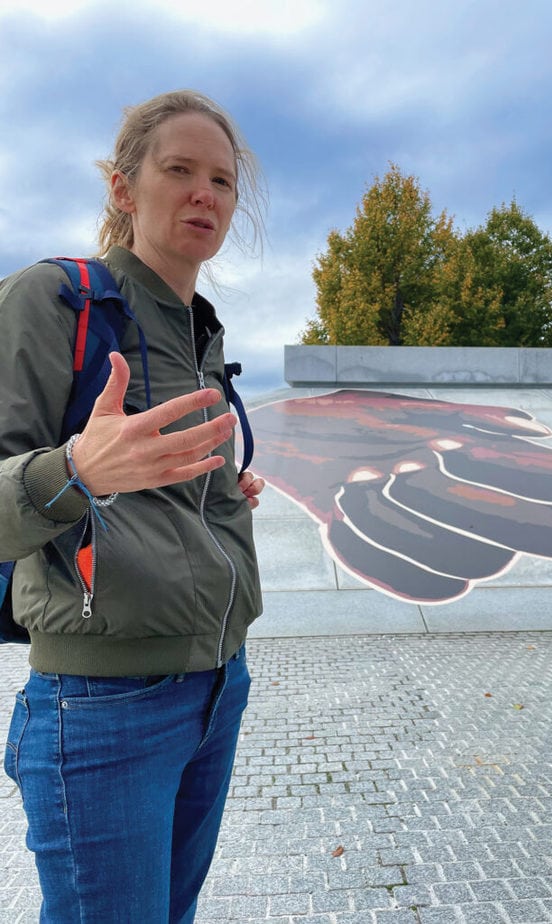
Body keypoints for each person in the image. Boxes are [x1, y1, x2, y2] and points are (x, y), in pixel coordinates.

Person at [0, 89, 266, 923]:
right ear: (123, 189)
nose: (205, 195)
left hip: (217, 687)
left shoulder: (202, 336)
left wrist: (218, 507)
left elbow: (167, 500)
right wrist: (75, 467)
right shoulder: (55, 301)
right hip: (102, 708)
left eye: (221, 181)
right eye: (179, 170)